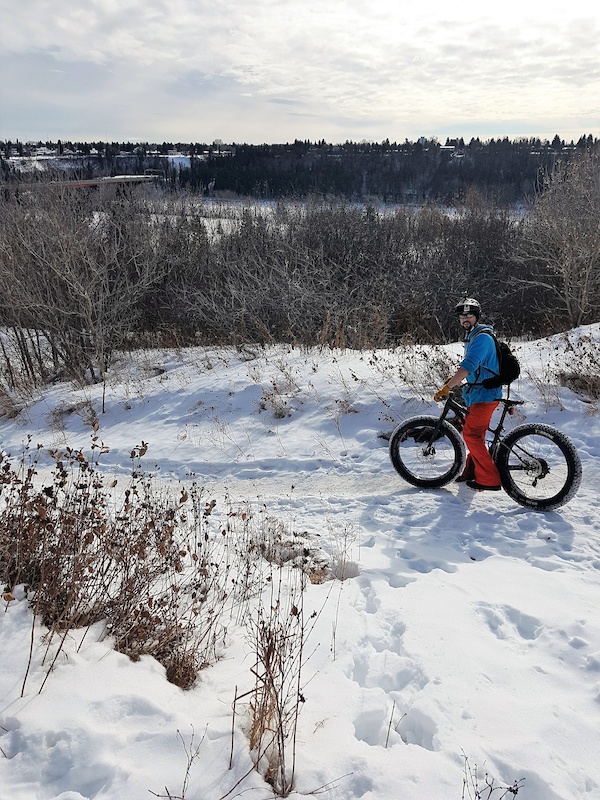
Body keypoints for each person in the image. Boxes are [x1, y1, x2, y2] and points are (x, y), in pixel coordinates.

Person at [433, 298, 502, 491]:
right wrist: (452, 381)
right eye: (462, 315)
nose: (465, 318)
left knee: (471, 435)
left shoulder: (481, 338)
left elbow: (469, 366)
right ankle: (471, 471)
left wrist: (448, 387)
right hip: (479, 394)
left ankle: (489, 479)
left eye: (469, 314)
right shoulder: (473, 336)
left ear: (476, 317)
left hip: (486, 395)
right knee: (475, 434)